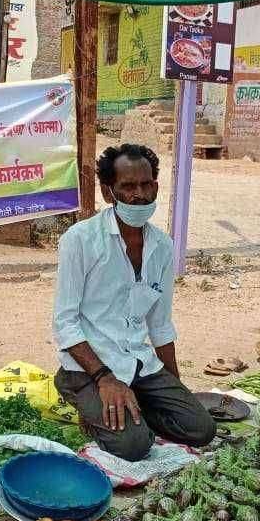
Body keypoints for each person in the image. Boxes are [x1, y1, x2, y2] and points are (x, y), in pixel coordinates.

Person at [52, 144, 216, 461]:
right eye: (127, 186)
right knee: (134, 446)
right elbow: (65, 324)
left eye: (146, 184)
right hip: (90, 369)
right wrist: (105, 379)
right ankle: (87, 403)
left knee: (200, 429)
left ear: (155, 185)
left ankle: (132, 405)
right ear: (107, 190)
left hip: (139, 363)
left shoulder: (162, 246)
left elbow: (160, 325)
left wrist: (175, 391)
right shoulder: (81, 240)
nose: (139, 195)